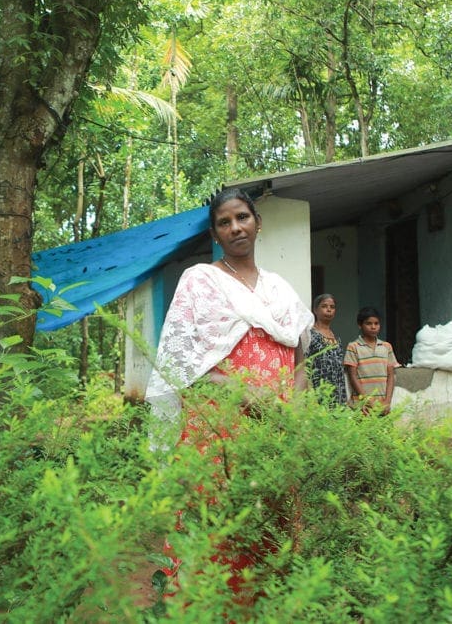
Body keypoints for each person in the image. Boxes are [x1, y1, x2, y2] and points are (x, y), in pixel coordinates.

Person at [144, 187, 314, 599]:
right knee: (215, 535)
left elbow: (301, 358)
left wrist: (293, 406)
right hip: (216, 436)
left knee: (271, 536)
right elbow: (178, 365)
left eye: (242, 217)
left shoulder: (280, 290)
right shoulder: (199, 282)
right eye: (225, 222)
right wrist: (243, 394)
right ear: (215, 234)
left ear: (258, 223)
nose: (236, 227)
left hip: (274, 435)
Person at [343, 306, 400, 414]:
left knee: (384, 430)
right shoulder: (353, 347)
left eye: (376, 323)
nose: (373, 327)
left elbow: (391, 376)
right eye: (368, 323)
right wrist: (366, 400)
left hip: (382, 405)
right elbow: (353, 376)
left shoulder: (386, 346)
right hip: (362, 406)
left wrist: (387, 401)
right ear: (360, 325)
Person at [306, 294, 348, 406]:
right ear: (315, 310)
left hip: (337, 394)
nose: (329, 309)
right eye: (324, 306)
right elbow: (304, 366)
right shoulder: (310, 335)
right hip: (318, 392)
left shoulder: (337, 339)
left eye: (332, 307)